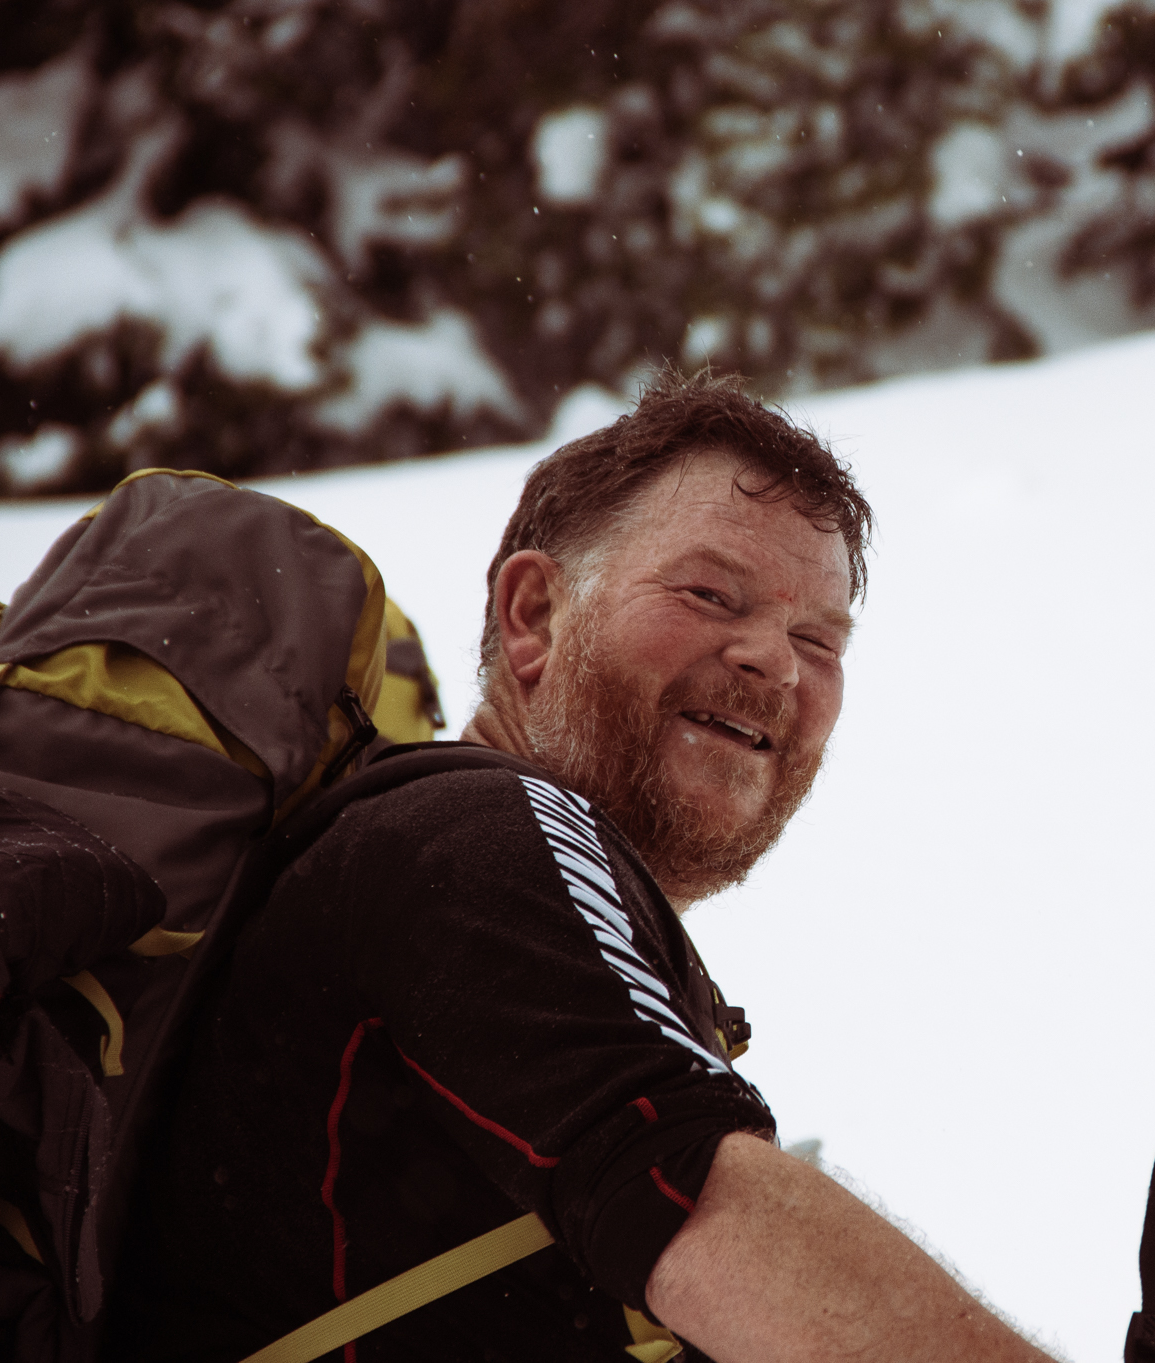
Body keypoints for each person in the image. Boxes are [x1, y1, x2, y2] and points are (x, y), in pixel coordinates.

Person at [111, 371, 1055, 1362]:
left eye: (816, 637)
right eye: (709, 593)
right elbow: (694, 1198)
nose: (775, 662)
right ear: (531, 615)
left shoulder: (469, 879)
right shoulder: (471, 830)